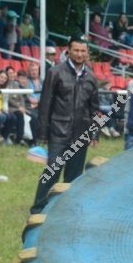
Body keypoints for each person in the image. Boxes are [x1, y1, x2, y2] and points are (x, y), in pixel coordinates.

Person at [30, 35, 99, 213]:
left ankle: (67, 210)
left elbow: (94, 108)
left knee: (74, 177)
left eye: (83, 51)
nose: (79, 54)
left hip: (81, 134)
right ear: (68, 50)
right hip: (58, 132)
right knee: (52, 172)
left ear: (87, 52)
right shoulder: (55, 72)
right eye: (76, 50)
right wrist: (43, 133)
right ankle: (38, 209)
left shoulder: (91, 77)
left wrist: (94, 133)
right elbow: (45, 104)